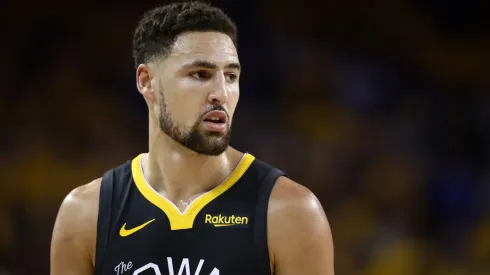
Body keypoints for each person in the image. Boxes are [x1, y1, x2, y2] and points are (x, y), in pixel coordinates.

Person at [50, 2, 334, 275]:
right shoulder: (86, 214)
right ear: (146, 81)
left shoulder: (291, 212)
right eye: (201, 74)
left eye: (231, 76)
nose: (221, 93)